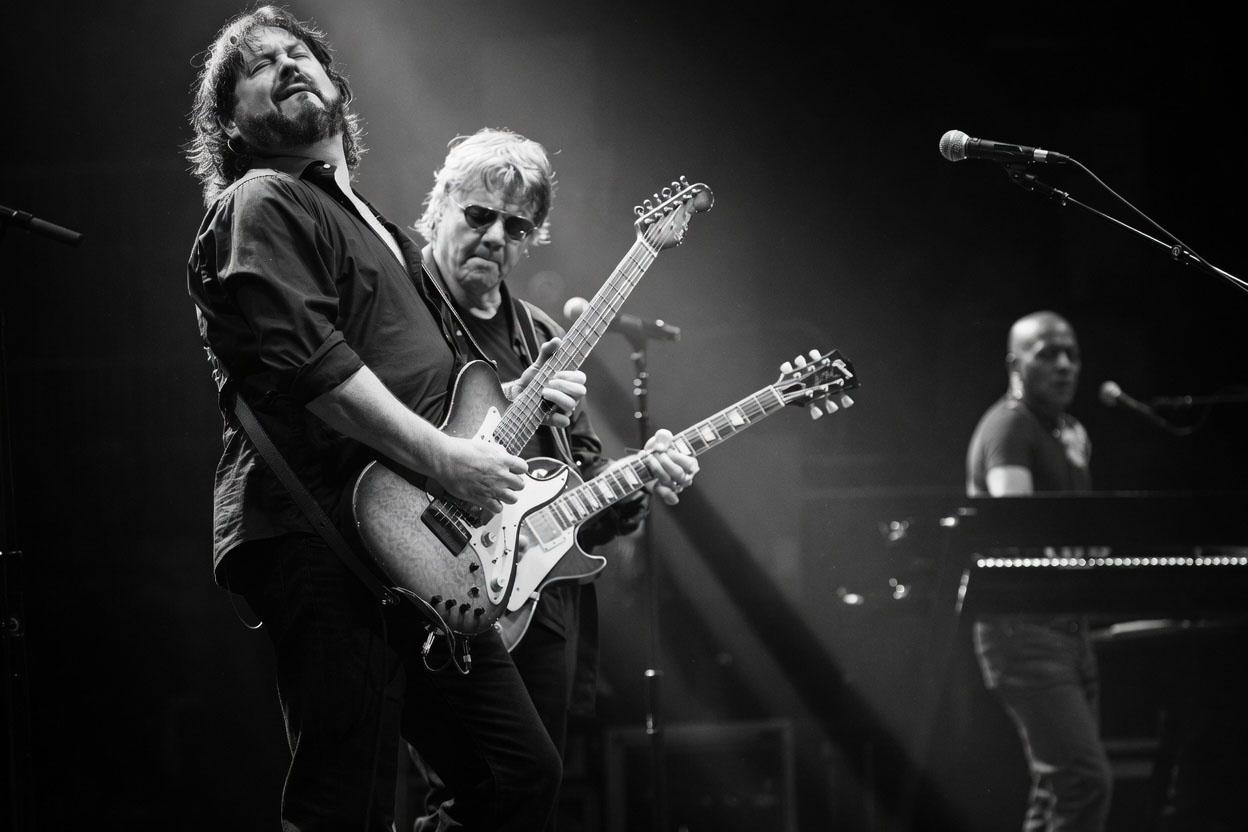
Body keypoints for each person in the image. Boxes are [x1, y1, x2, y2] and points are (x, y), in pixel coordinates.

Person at [184, 8, 693, 829]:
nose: (285, 66)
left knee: (517, 775)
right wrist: (448, 460)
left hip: (415, 544)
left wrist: (514, 416)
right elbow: (312, 365)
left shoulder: (374, 228)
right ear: (230, 125)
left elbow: (434, 388)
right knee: (344, 799)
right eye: (258, 66)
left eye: (298, 53)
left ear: (337, 87)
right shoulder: (263, 197)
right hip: (323, 529)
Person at [403, 127, 699, 830]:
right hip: (429, 570)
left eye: (516, 227)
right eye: (480, 215)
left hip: (536, 599)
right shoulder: (401, 306)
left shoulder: (540, 335)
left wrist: (637, 474)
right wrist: (508, 404)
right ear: (440, 205)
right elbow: (374, 422)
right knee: (475, 789)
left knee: (527, 799)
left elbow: (585, 486)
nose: (495, 237)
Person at [965, 311, 1113, 831]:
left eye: (1072, 354)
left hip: (1064, 625)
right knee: (1084, 780)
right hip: (1025, 628)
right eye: (1047, 354)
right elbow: (1019, 529)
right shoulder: (1010, 426)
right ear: (1015, 365)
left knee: (1058, 789)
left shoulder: (1067, 430)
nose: (1065, 365)